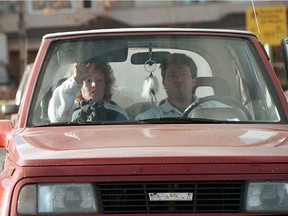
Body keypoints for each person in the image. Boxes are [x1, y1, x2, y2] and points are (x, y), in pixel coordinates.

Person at [136, 53, 224, 120]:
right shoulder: (149, 118)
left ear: (193, 81)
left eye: (183, 74)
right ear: (164, 83)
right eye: (172, 75)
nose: (178, 79)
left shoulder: (216, 109)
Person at [48, 62, 128, 123]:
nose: (94, 85)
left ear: (105, 84)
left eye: (99, 80)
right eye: (88, 81)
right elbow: (56, 117)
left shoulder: (117, 113)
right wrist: (76, 79)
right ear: (79, 86)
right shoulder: (69, 109)